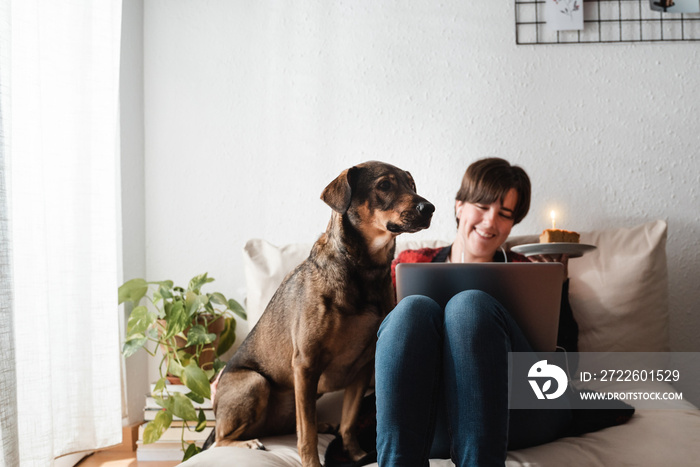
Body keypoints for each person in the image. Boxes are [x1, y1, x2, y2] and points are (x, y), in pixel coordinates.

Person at [375, 158, 578, 466]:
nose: (490, 222)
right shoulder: (411, 261)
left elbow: (565, 369)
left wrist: (558, 287)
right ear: (459, 206)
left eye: (505, 214)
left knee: (469, 306)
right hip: (430, 416)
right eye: (482, 207)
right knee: (413, 309)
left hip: (517, 410)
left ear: (512, 224)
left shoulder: (532, 271)